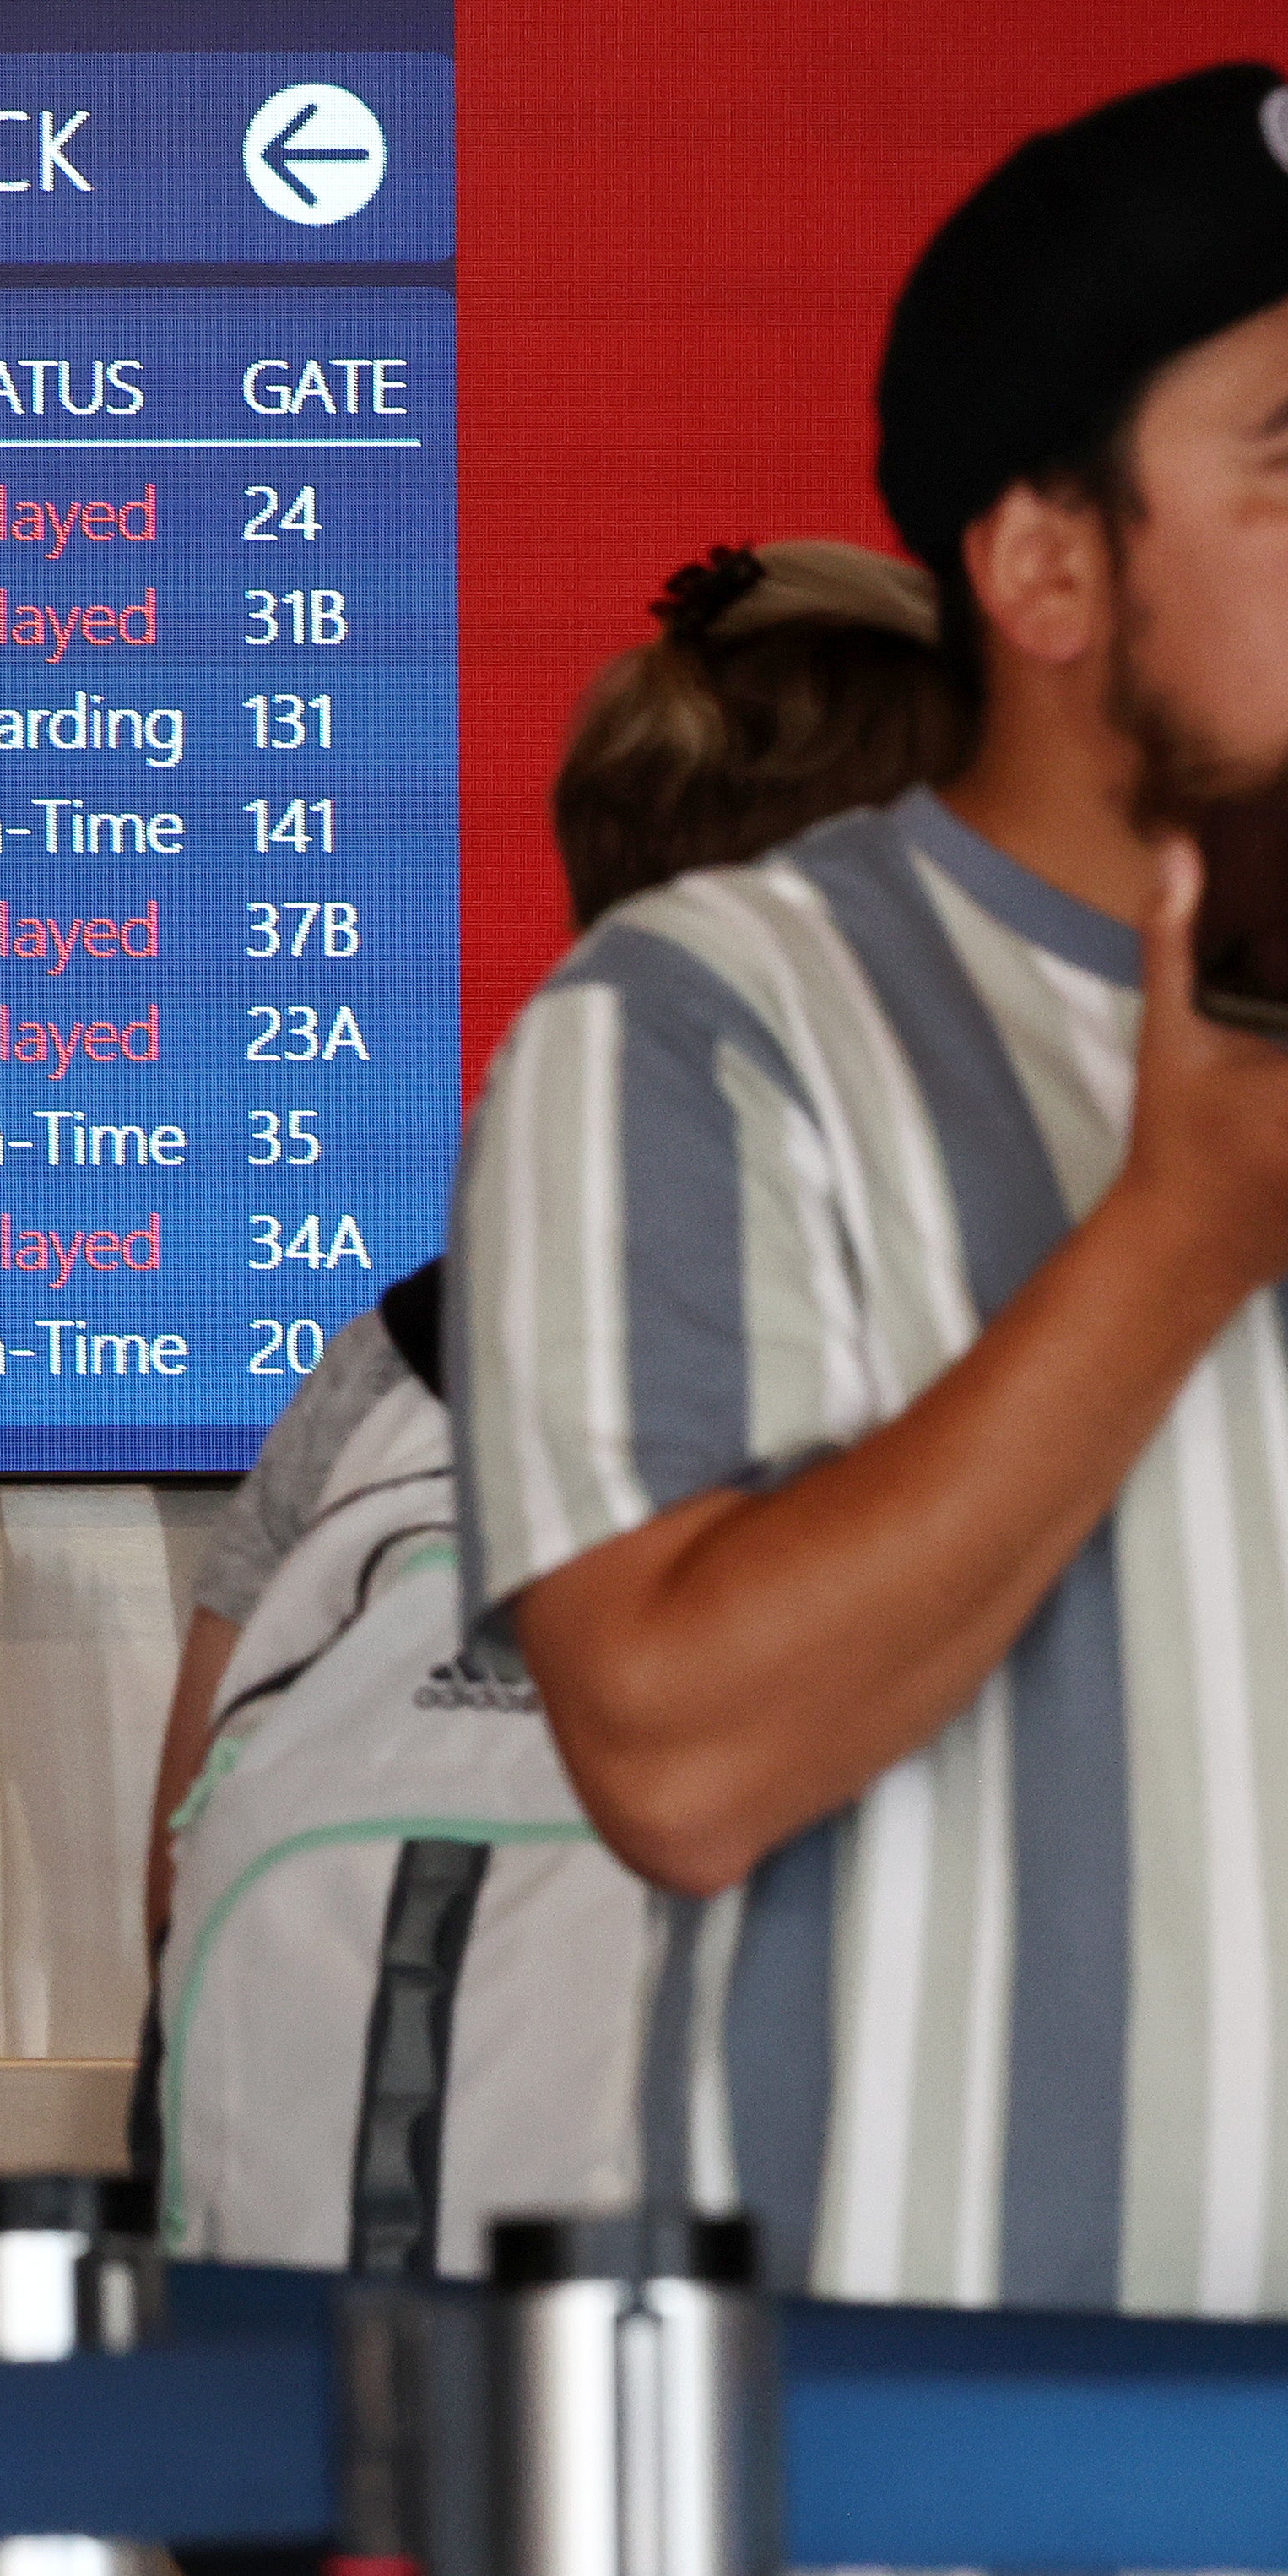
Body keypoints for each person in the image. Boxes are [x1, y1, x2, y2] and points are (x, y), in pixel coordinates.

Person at [461, 61, 1288, 2314]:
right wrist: (1177, 1238)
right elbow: (675, 1756)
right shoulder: (695, 1031)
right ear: (1046, 564)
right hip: (922, 2541)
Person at [144, 540, 971, 2266]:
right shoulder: (1024, 1353)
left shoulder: (403, 1354)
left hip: (319, 2391)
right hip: (796, 2398)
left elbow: (177, 1880)